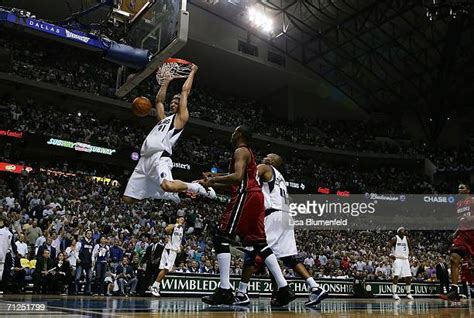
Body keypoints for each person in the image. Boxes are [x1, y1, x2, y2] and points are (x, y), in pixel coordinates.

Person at [199, 126, 295, 306]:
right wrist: (215, 177)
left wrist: (213, 180)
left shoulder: (240, 150)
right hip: (256, 197)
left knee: (221, 236)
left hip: (247, 195)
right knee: (259, 243)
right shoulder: (247, 153)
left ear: (240, 134)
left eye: (235, 131)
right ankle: (284, 288)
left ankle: (225, 289)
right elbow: (241, 177)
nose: (232, 134)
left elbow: (237, 177)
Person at [234, 153, 327, 307]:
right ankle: (315, 287)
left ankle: (241, 293)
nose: (264, 157)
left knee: (253, 250)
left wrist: (218, 179)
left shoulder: (265, 167)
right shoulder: (280, 178)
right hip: (286, 216)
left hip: (273, 215)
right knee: (286, 258)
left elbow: (245, 178)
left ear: (272, 161)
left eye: (267, 156)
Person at [122, 63, 215, 204]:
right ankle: (166, 195)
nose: (173, 103)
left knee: (168, 185)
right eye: (172, 101)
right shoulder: (164, 120)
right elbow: (159, 101)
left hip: (160, 156)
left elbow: (185, 92)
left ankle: (197, 187)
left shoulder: (180, 119)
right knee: (128, 199)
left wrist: (193, 72)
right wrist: (165, 83)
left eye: (176, 101)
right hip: (144, 159)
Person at [442, 183, 474, 301]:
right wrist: (455, 233)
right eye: (458, 187)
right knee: (454, 258)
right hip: (463, 235)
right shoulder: (458, 204)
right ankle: (454, 291)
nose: (459, 189)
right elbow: (462, 221)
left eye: (462, 187)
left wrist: (471, 218)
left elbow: (468, 218)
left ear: (468, 190)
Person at [150, 216, 185, 296]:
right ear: (177, 219)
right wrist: (176, 224)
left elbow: (178, 240)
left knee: (165, 269)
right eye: (181, 219)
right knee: (166, 269)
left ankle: (157, 286)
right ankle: (154, 286)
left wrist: (180, 247)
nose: (182, 220)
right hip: (170, 250)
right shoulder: (174, 226)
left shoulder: (182, 229)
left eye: (183, 219)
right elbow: (166, 229)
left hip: (174, 251)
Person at [389, 227, 413, 300]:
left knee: (408, 276)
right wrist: (390, 255)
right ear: (398, 231)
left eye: (404, 230)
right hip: (398, 259)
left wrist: (411, 256)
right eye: (402, 230)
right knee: (396, 276)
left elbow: (410, 248)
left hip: (405, 259)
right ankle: (394, 293)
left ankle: (408, 293)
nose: (404, 231)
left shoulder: (407, 239)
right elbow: (388, 247)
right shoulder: (394, 239)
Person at [76, 230, 94, 295]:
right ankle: (76, 290)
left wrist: (93, 260)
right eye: (88, 233)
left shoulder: (92, 243)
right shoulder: (81, 242)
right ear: (85, 234)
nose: (89, 235)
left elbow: (92, 253)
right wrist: (77, 258)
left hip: (88, 262)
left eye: (90, 234)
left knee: (89, 278)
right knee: (77, 277)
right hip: (81, 261)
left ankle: (88, 291)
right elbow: (76, 251)